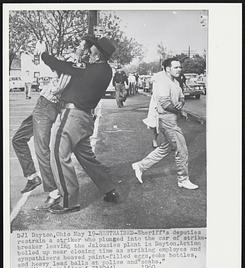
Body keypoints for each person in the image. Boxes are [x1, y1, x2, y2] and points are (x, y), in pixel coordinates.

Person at [40, 37, 120, 214]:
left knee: (58, 155)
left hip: (72, 116)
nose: (88, 49)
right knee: (86, 157)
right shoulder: (106, 70)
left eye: (91, 48)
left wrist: (43, 53)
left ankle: (69, 201)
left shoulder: (89, 68)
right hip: (85, 118)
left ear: (97, 53)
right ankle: (109, 189)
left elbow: (61, 66)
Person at [132, 58, 199, 190]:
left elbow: (181, 97)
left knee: (166, 148)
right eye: (176, 67)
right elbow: (165, 103)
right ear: (168, 69)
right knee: (182, 149)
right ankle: (183, 179)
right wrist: (181, 112)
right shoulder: (163, 82)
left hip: (172, 118)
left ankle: (140, 166)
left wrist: (181, 103)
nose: (179, 69)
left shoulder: (176, 82)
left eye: (180, 67)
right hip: (166, 119)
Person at [12, 70, 71, 203]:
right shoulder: (70, 62)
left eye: (80, 47)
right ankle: (32, 177)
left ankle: (53, 191)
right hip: (42, 104)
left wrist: (54, 88)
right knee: (18, 139)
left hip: (48, 105)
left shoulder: (73, 65)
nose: (77, 47)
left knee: (41, 150)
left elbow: (59, 88)